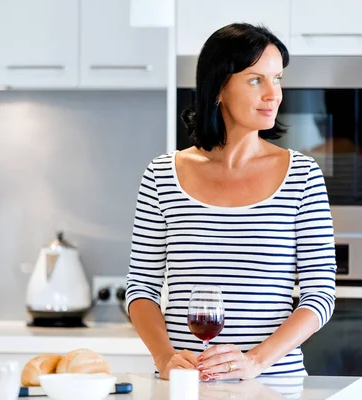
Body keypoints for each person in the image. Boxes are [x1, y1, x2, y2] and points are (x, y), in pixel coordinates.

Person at [125, 23, 337, 381]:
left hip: (273, 383)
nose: (274, 94)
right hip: (187, 383)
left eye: (277, 78)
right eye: (256, 80)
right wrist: (165, 358)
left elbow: (320, 295)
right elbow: (141, 288)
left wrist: (255, 360)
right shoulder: (162, 175)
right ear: (219, 87)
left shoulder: (301, 175)